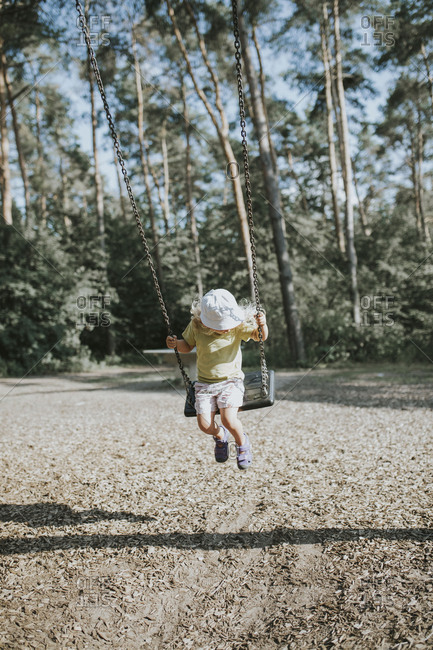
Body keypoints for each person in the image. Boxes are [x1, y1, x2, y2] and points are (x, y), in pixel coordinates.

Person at [166, 288, 268, 470]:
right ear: (206, 320)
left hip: (231, 381)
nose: (225, 328)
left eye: (226, 324)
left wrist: (263, 325)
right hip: (204, 384)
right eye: (220, 325)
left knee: (229, 419)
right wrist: (175, 345)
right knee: (205, 425)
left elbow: (259, 337)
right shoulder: (196, 325)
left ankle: (242, 442)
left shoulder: (237, 325)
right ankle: (221, 435)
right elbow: (187, 346)